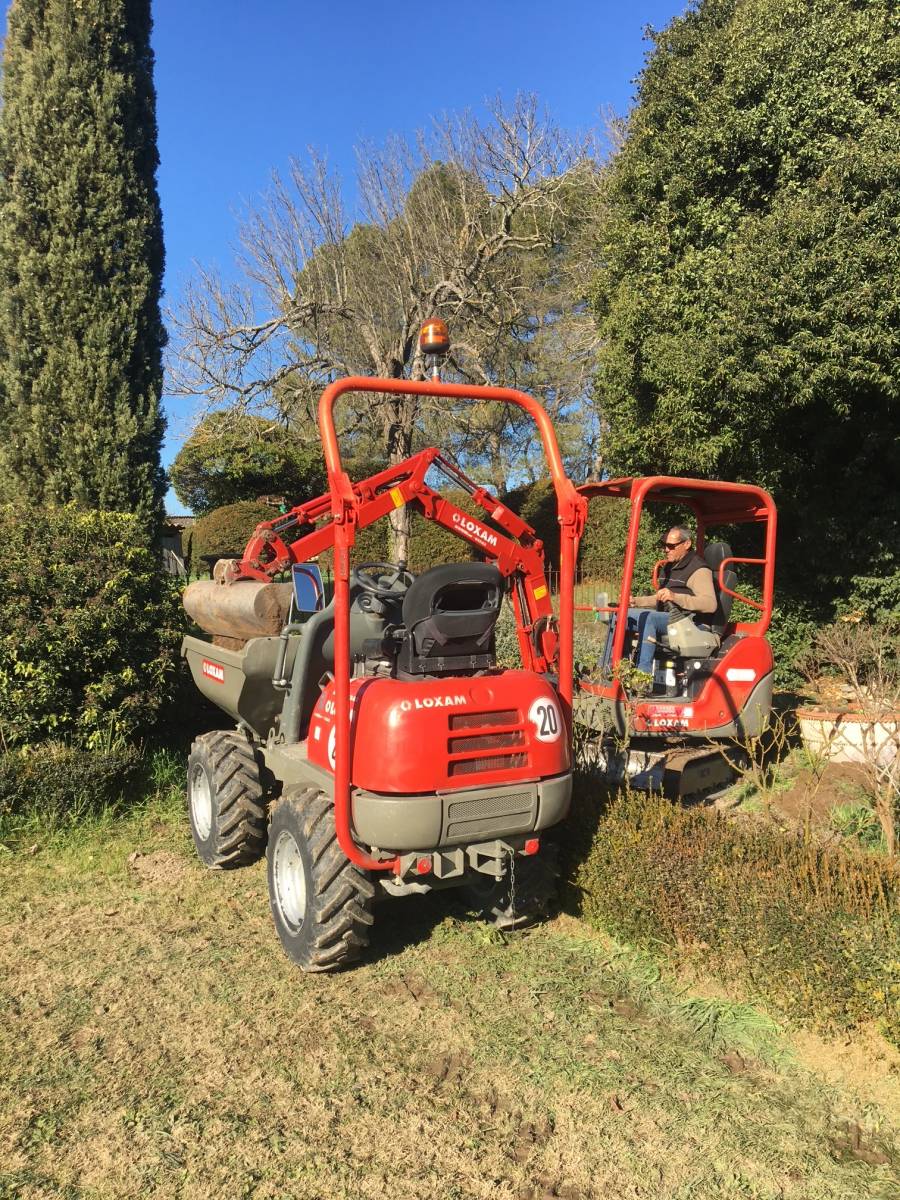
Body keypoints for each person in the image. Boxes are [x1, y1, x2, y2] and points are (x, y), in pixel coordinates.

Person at [601, 526, 717, 677]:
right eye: (664, 545)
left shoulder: (698, 569)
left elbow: (710, 604)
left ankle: (642, 677)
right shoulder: (669, 567)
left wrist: (675, 597)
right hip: (669, 618)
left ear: (687, 544)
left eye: (671, 546)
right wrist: (635, 601)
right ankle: (607, 669)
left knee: (650, 618)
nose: (666, 550)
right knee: (620, 614)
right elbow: (660, 596)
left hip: (688, 621)